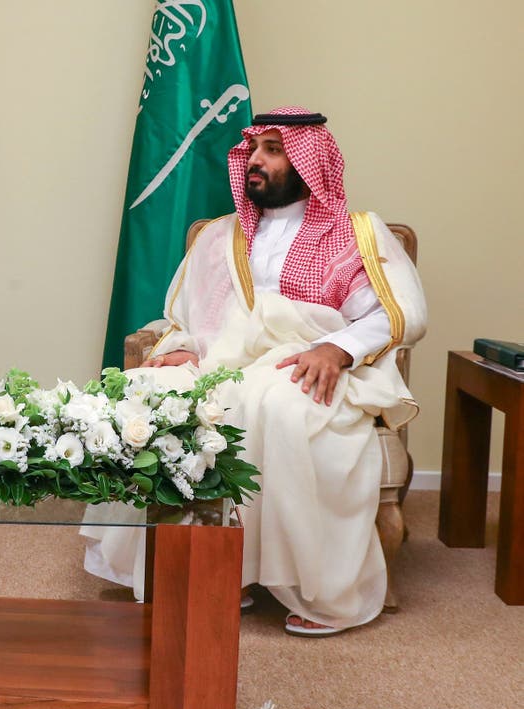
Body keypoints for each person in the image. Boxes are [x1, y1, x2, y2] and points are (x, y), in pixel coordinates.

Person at [82, 107, 427, 637]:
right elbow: (192, 317)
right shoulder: (222, 236)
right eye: (253, 150)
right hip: (225, 362)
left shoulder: (354, 233)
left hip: (308, 362)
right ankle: (213, 568)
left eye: (273, 149)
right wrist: (184, 348)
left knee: (278, 406)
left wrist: (337, 349)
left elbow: (395, 314)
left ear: (309, 162)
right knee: (148, 392)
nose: (255, 161)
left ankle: (318, 589)